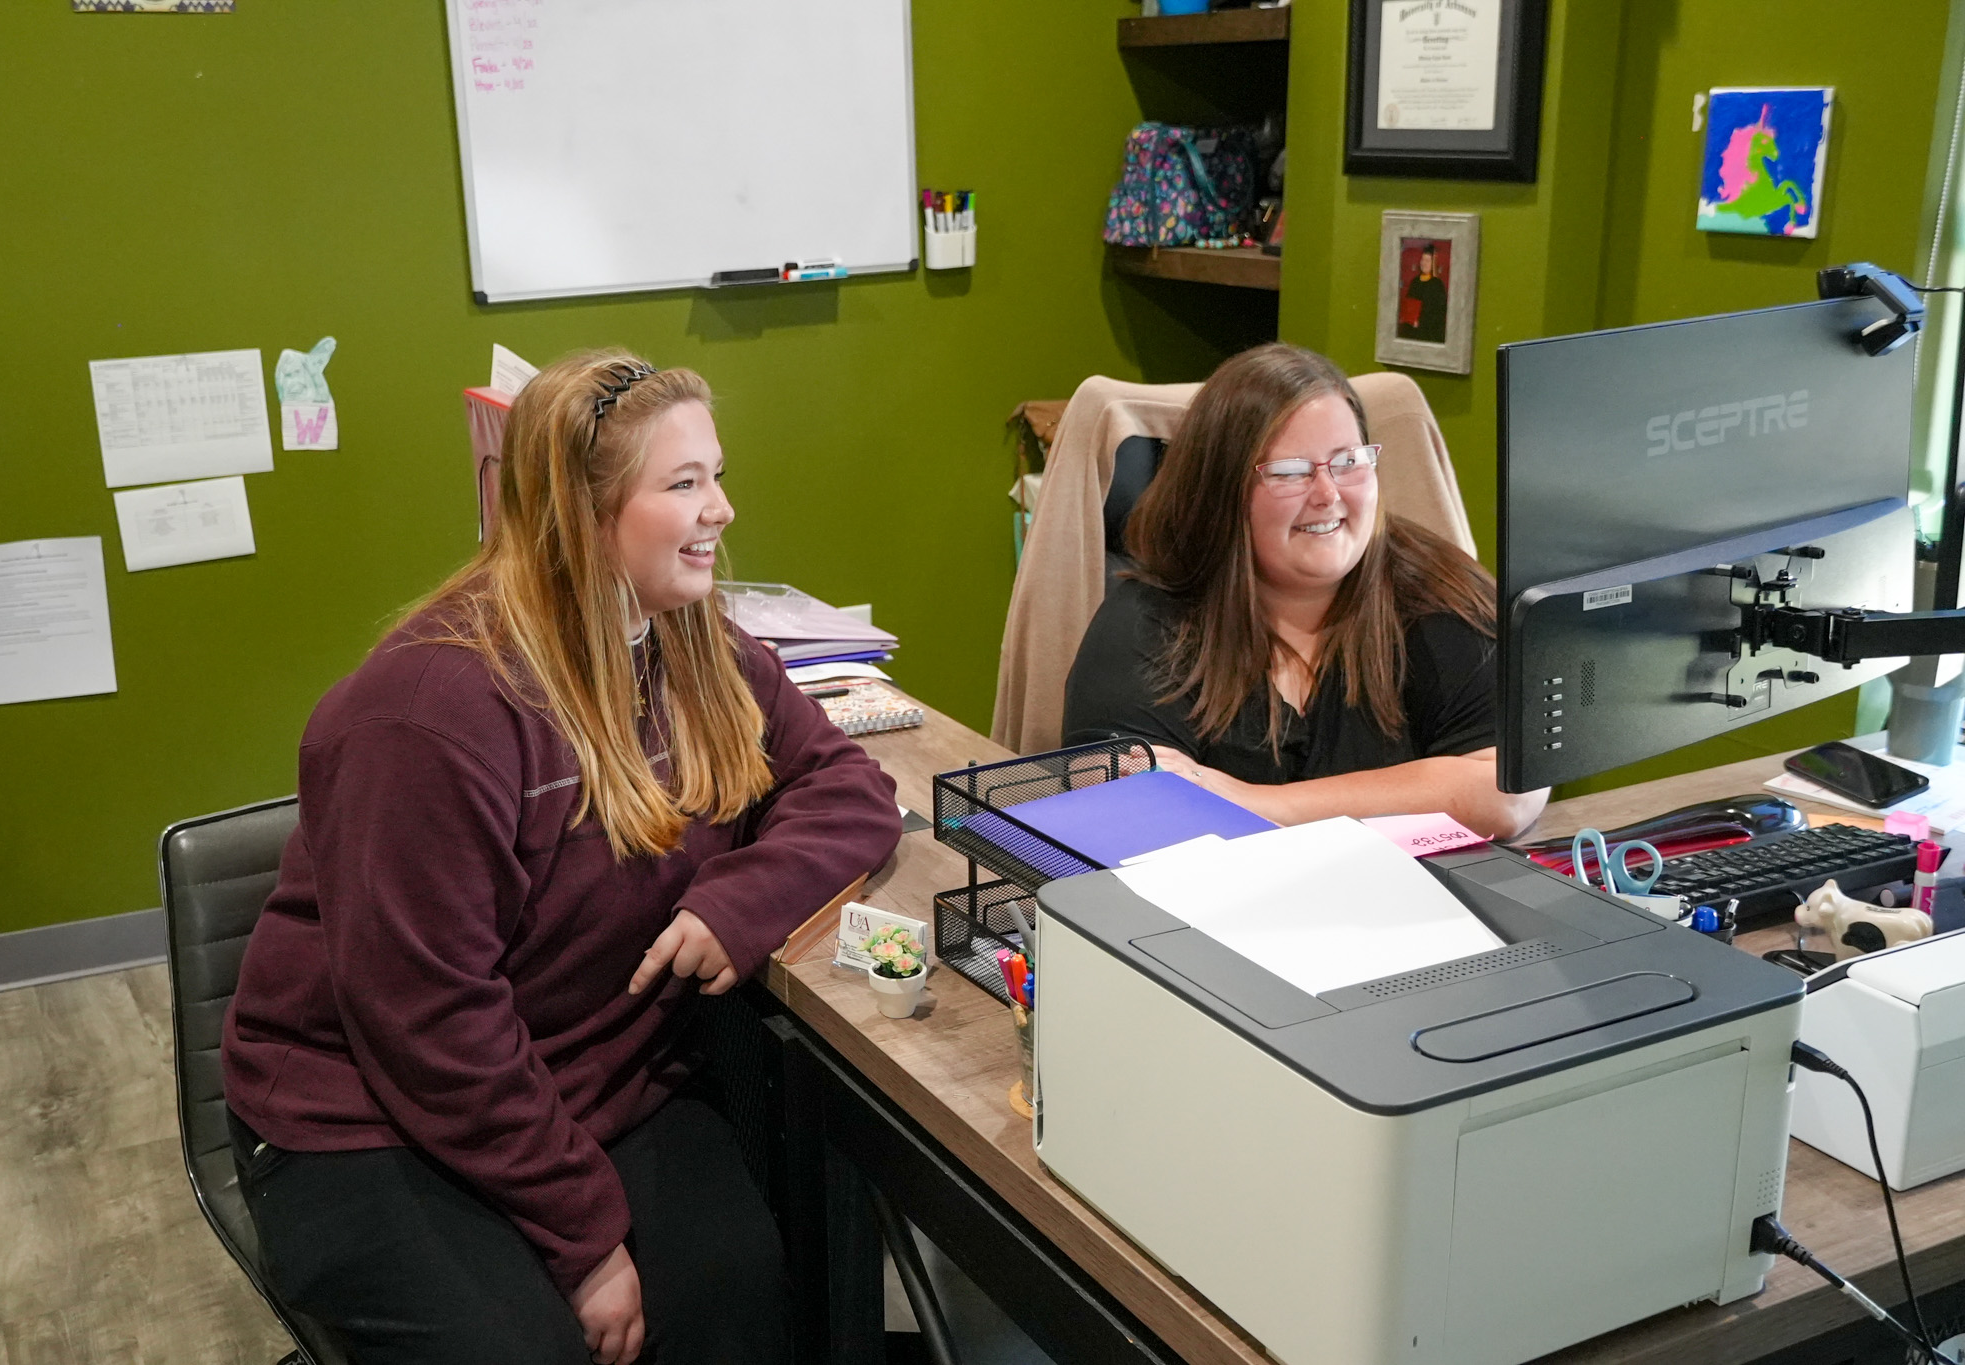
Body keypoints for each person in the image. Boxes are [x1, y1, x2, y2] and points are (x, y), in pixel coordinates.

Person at [221, 351, 902, 1365]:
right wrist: (585, 1239)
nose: (721, 509)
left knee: (741, 1305)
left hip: (592, 1081)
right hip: (371, 1118)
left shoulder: (687, 637)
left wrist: (743, 899)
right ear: (578, 515)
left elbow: (847, 787)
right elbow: (427, 1020)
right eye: (682, 484)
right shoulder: (430, 713)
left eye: (714, 474)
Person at [1062, 343, 1547, 839]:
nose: (1328, 495)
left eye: (1349, 462)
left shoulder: (1437, 592)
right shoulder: (1146, 624)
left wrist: (1252, 801)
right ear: (1220, 491)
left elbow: (1511, 790)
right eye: (1291, 472)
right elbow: (1124, 821)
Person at [1399, 244, 1449, 344]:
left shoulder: (1437, 284)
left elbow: (1439, 310)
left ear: (1433, 264)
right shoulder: (1415, 281)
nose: (1424, 263)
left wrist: (1421, 321)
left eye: (1427, 261)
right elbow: (1409, 302)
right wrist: (1408, 317)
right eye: (1422, 260)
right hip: (1412, 327)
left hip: (1429, 330)